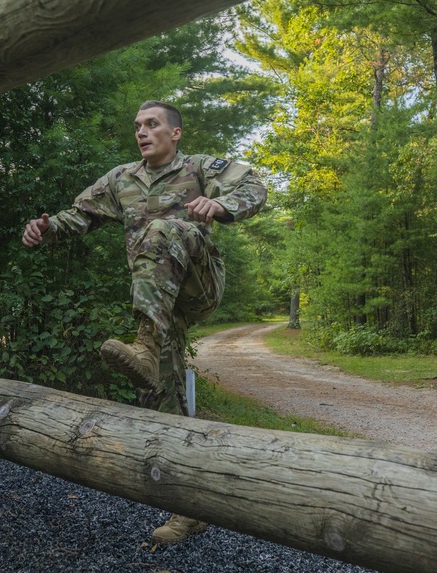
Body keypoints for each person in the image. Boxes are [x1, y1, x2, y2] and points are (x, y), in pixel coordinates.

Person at [21, 99, 266, 544]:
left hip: (199, 284)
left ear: (174, 133)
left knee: (163, 229)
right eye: (137, 126)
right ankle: (185, 510)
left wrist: (222, 206)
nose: (142, 132)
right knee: (158, 394)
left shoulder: (198, 167)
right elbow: (79, 215)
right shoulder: (121, 179)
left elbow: (253, 185)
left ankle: (146, 345)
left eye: (152, 125)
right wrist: (46, 228)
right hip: (159, 301)